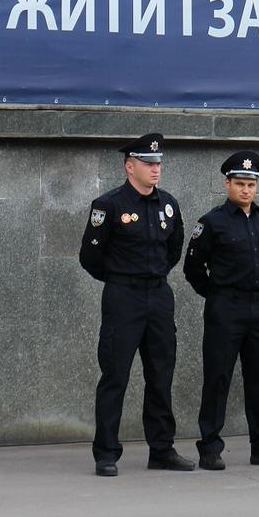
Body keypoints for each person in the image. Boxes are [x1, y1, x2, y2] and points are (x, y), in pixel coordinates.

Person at [79, 133, 189, 477]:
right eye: (148, 163)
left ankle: (162, 449)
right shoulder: (109, 205)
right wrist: (120, 279)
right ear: (130, 166)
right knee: (115, 375)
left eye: (158, 163)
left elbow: (174, 249)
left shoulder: (168, 204)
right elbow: (90, 257)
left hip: (158, 296)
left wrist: (151, 277)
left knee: (161, 374)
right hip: (123, 297)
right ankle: (106, 453)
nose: (156, 169)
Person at [183, 150, 259, 470]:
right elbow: (193, 268)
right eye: (240, 183)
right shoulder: (212, 222)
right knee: (218, 378)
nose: (246, 190)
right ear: (227, 184)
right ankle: (210, 447)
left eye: (251, 185)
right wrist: (217, 295)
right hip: (225, 309)